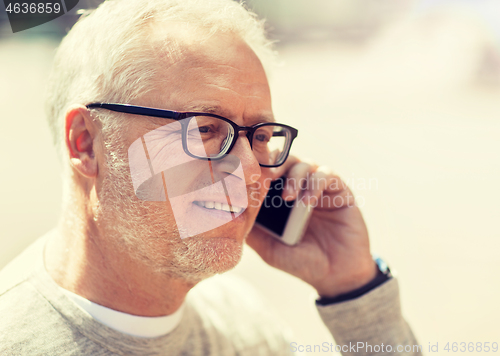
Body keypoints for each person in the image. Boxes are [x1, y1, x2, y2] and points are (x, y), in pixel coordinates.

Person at [0, 0, 421, 355]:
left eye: (260, 136)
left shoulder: (245, 326)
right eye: (204, 129)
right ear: (86, 144)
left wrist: (356, 293)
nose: (253, 171)